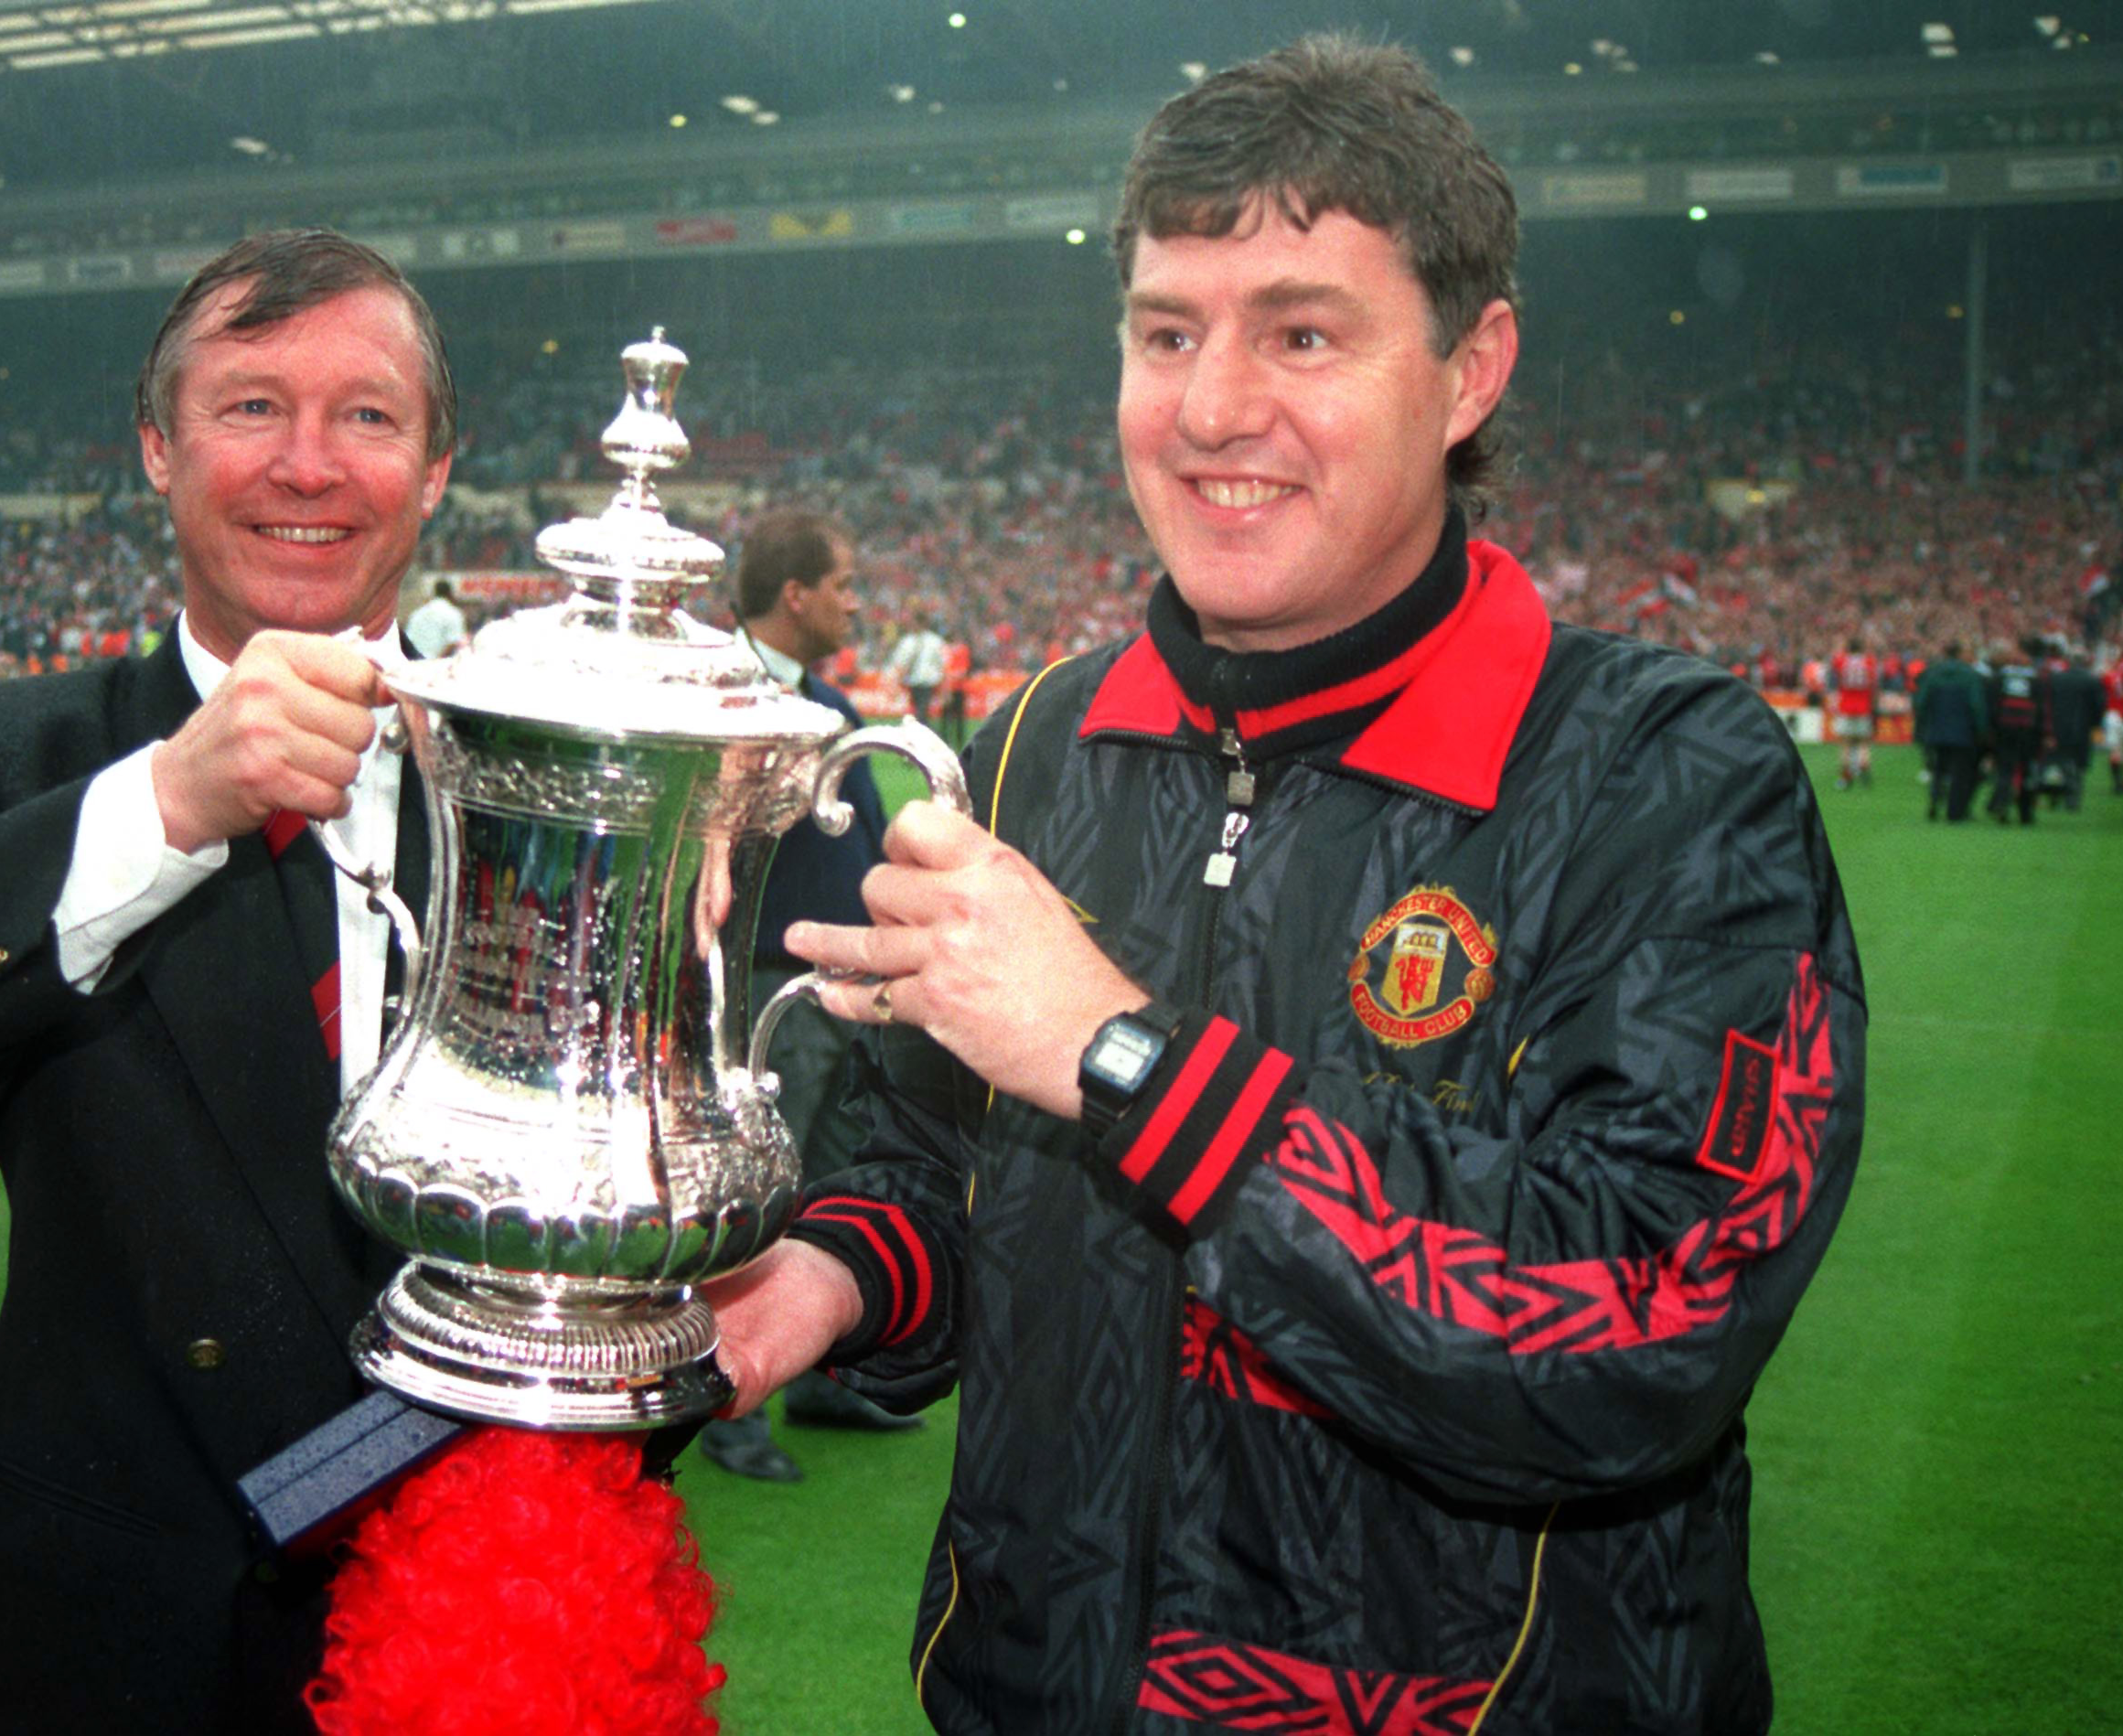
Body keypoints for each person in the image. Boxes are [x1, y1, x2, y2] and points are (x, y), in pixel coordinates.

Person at [704, 38, 1865, 1735]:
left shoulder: (1666, 776)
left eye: (1301, 333)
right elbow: (921, 1147)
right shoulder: (1026, 745)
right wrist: (826, 1272)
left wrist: (1123, 1060)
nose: (1210, 406)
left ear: (1471, 371)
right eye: (1165, 330)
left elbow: (1643, 1326)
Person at [0, 229, 456, 1734]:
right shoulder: (9, 757)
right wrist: (169, 803)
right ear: (155, 447)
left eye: (368, 415)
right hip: (105, 1620)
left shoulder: (545, 780)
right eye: (250, 405)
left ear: (437, 469)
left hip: (474, 1609)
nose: (307, 464)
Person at [699, 509, 920, 1484]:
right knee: (758, 1186)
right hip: (758, 985)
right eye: (842, 584)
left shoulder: (825, 701)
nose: (853, 601)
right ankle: (724, 1400)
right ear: (794, 594)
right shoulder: (714, 691)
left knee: (832, 1178)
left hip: (837, 991)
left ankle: (828, 1374)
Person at [1914, 638, 1989, 822]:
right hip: (1962, 731)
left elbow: (1920, 703)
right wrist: (1982, 730)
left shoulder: (1932, 673)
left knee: (1938, 768)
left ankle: (1934, 801)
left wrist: (1922, 726)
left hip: (1936, 729)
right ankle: (1954, 811)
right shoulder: (1970, 675)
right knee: (1960, 772)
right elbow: (1977, 705)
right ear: (1960, 654)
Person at [1985, 638, 2053, 826]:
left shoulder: (1999, 677)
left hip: (2005, 729)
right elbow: (2043, 709)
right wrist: (2046, 733)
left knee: (2005, 769)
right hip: (2028, 731)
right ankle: (2025, 813)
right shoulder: (2037, 679)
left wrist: (1991, 730)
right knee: (2026, 770)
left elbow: (1991, 706)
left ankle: (2001, 803)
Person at [2043, 648, 2107, 814]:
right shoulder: (2092, 681)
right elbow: (2099, 706)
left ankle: (2056, 794)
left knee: (2057, 762)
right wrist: (2096, 724)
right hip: (2082, 728)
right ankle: (2073, 797)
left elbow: (2048, 705)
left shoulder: (2056, 679)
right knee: (2078, 765)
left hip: (2058, 728)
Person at [1828, 636, 1878, 788]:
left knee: (1846, 744)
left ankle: (1846, 776)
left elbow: (1833, 662)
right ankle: (1863, 766)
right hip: (1863, 706)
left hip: (1846, 706)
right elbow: (1873, 682)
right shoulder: (1869, 661)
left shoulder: (1842, 660)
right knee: (1863, 743)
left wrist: (1840, 645)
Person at [885, 608, 949, 726]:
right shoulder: (907, 641)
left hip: (927, 683)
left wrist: (945, 687)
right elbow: (900, 664)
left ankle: (924, 733)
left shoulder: (934, 641)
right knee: (917, 713)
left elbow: (943, 665)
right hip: (912, 682)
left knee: (921, 713)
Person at [403, 574, 467, 658]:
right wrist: (435, 662)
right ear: (450, 594)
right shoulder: (453, 613)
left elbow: (408, 641)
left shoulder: (417, 613)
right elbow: (453, 642)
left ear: (434, 593)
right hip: (439, 665)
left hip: (415, 664)